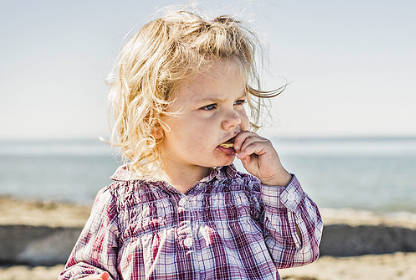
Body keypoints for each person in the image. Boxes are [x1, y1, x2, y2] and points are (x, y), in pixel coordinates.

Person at [58, 9, 323, 280]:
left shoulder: (249, 192)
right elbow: (83, 266)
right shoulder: (120, 201)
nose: (234, 119)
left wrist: (276, 180)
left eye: (239, 102)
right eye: (210, 106)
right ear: (153, 119)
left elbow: (299, 251)